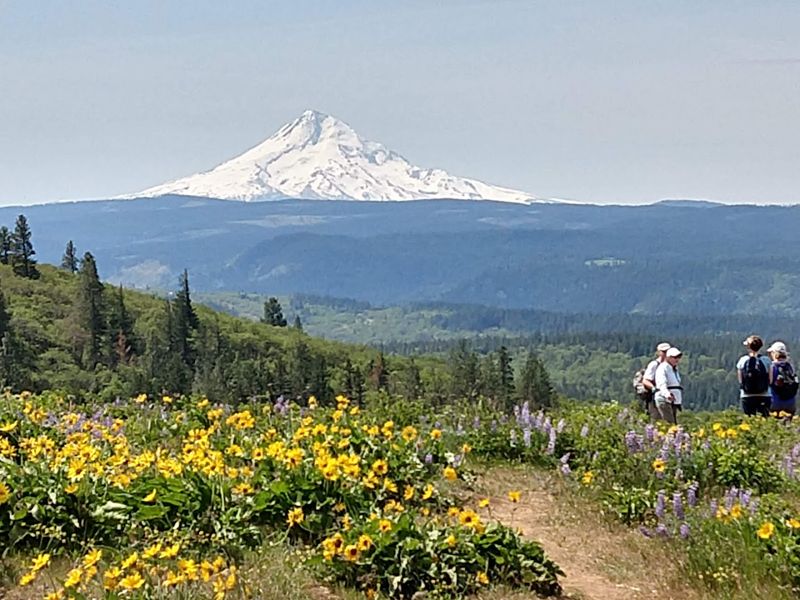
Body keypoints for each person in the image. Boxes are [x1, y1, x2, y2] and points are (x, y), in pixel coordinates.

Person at [736, 335, 772, 417]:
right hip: (764, 394)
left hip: (747, 395)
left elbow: (740, 380)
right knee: (764, 420)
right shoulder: (766, 360)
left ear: (748, 347)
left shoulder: (742, 360)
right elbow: (771, 379)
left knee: (749, 420)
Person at [768, 341, 798, 417]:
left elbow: (770, 382)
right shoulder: (790, 367)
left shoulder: (772, 367)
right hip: (790, 402)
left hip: (775, 401)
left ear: (774, 353)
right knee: (787, 426)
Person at [642, 342, 671, 420]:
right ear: (659, 352)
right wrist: (654, 388)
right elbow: (645, 380)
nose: (666, 354)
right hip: (655, 397)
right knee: (657, 419)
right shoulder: (654, 364)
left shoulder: (669, 366)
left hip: (668, 397)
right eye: (664, 352)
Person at [654, 347, 683, 424]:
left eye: (678, 357)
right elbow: (661, 383)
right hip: (665, 399)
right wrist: (667, 394)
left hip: (673, 401)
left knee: (673, 424)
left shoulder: (674, 369)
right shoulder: (663, 368)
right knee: (669, 424)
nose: (677, 359)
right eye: (674, 357)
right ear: (668, 357)